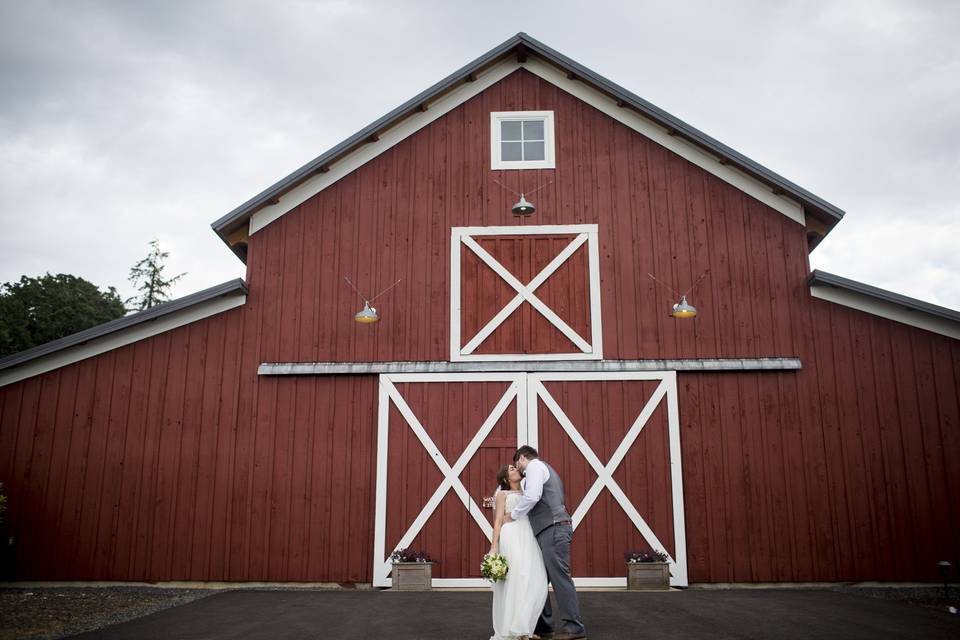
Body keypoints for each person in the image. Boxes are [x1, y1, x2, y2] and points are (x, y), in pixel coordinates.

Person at [503, 446, 587, 640]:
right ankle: (544, 625)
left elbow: (533, 496)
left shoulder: (533, 467)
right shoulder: (542, 469)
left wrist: (513, 515)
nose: (517, 468)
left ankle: (574, 627)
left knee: (559, 577)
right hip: (551, 529)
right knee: (539, 578)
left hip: (554, 528)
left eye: (517, 463)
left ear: (522, 458)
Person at [489, 464, 548, 640]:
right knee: (517, 579)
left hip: (528, 535)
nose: (516, 470)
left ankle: (525, 627)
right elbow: (498, 520)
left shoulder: (528, 492)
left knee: (536, 579)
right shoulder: (502, 494)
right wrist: (494, 546)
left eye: (515, 468)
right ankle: (515, 629)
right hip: (511, 535)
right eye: (511, 470)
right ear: (506, 478)